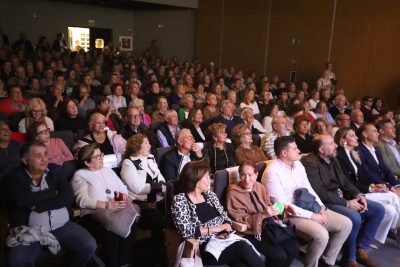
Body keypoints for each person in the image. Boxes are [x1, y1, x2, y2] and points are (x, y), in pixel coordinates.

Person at [262, 136, 352, 267]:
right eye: (295, 148)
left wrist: (320, 206)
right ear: (284, 153)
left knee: (346, 224)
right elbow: (281, 206)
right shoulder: (272, 172)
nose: (299, 150)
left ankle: (326, 261)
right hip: (290, 214)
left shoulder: (298, 164)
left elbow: (309, 188)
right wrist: (312, 216)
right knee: (321, 235)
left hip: (309, 206)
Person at [6, 142, 96, 267]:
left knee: (89, 245)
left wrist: (39, 207)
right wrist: (51, 193)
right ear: (25, 160)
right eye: (38, 155)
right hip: (30, 229)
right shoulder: (14, 176)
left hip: (62, 226)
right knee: (18, 260)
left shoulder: (56, 170)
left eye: (45, 154)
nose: (44, 159)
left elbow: (68, 196)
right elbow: (21, 200)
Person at [301, 134, 384, 267]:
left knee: (378, 209)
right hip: (326, 202)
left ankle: (361, 249)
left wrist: (358, 194)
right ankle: (349, 259)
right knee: (355, 217)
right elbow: (319, 192)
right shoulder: (309, 163)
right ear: (321, 150)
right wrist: (347, 203)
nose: (335, 145)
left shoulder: (333, 158)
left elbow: (345, 181)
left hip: (341, 197)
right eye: (331, 143)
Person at [171, 161, 265, 267]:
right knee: (242, 247)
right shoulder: (180, 200)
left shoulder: (210, 195)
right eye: (207, 177)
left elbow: (224, 215)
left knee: (242, 264)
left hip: (223, 240)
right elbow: (186, 231)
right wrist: (216, 228)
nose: (210, 181)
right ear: (196, 179)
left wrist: (227, 224)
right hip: (203, 247)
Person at [71, 143, 135, 267]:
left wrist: (124, 196)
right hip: (93, 213)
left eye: (101, 155)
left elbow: (123, 188)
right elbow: (82, 200)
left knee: (131, 223)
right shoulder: (80, 175)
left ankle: (124, 263)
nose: (101, 158)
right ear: (87, 162)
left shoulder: (107, 170)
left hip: (116, 209)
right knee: (112, 235)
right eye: (97, 156)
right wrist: (106, 205)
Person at [226, 160, 300, 267]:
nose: (247, 180)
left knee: (294, 247)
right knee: (278, 255)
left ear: (256, 174)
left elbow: (268, 204)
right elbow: (240, 219)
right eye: (243, 175)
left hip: (268, 227)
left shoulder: (259, 187)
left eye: (250, 175)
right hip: (250, 233)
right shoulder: (233, 193)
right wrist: (263, 214)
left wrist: (281, 208)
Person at [335, 127, 400, 245]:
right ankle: (398, 228)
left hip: (363, 190)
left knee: (390, 210)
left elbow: (364, 177)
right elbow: (347, 182)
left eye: (355, 135)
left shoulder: (353, 153)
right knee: (393, 197)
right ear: (343, 140)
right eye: (352, 136)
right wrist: (370, 188)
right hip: (353, 194)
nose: (356, 137)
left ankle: (370, 239)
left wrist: (375, 186)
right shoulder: (339, 156)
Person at [120, 134, 167, 264]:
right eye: (146, 143)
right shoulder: (128, 163)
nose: (150, 145)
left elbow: (161, 178)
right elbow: (137, 188)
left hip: (157, 199)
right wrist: (160, 187)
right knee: (160, 222)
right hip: (141, 202)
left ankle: (166, 249)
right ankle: (159, 253)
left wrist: (163, 187)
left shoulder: (150, 158)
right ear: (137, 146)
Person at [357, 123, 400, 195]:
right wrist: (389, 187)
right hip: (374, 187)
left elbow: (386, 170)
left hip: (385, 184)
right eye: (374, 131)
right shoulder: (359, 151)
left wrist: (396, 185)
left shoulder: (376, 150)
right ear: (365, 134)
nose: (378, 134)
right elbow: (369, 175)